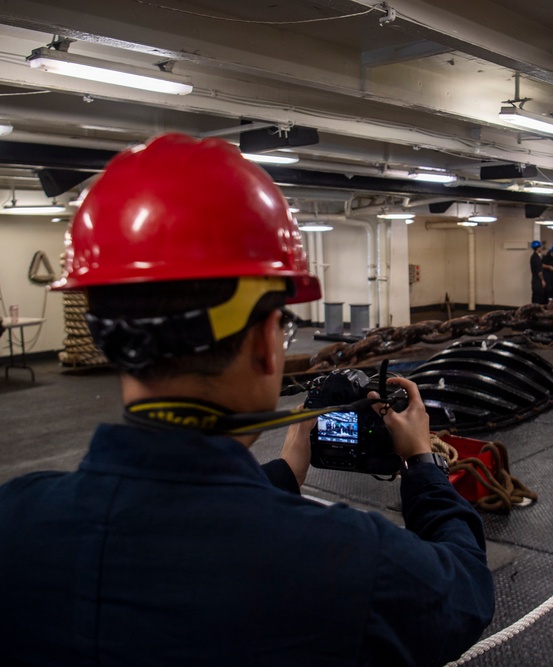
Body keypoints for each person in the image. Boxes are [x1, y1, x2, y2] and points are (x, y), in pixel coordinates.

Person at [0, 134, 494, 666]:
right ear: (263, 343)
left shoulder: (16, 521)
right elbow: (465, 589)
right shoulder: (350, 562)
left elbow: (171, 524)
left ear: (109, 337)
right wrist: (423, 464)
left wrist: (285, 469)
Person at [530, 239, 546, 303]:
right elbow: (539, 271)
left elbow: (540, 265)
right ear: (538, 248)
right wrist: (542, 280)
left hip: (534, 280)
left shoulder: (533, 257)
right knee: (538, 297)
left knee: (535, 296)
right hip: (537, 281)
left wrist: (548, 266)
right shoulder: (536, 258)